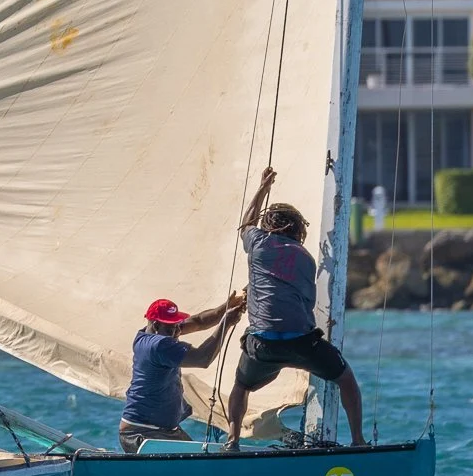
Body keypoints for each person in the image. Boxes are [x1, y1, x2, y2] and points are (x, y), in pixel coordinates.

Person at [225, 167, 366, 451]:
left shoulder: (259, 243)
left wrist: (263, 188)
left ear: (270, 226)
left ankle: (232, 440)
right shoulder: (306, 258)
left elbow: (245, 224)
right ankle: (358, 441)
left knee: (241, 387)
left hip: (263, 344)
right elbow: (306, 304)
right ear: (298, 230)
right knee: (346, 379)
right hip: (301, 343)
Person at [119, 294, 243, 454]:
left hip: (165, 430)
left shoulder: (149, 334)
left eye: (178, 325)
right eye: (172, 327)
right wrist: (225, 323)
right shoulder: (159, 346)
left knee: (201, 463)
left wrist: (225, 308)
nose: (178, 331)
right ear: (156, 325)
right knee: (197, 466)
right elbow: (203, 358)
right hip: (142, 433)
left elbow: (198, 322)